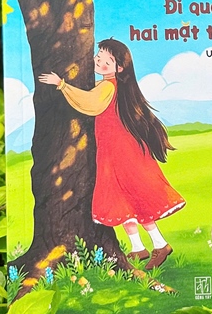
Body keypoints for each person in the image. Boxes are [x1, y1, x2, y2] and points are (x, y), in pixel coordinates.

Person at [39, 38, 185, 270]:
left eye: (106, 61)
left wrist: (62, 85)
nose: (98, 62)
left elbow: (90, 104)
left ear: (120, 67)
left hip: (120, 152)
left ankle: (160, 244)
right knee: (123, 201)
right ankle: (138, 247)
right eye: (98, 57)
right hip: (114, 150)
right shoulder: (111, 85)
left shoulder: (108, 87)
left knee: (134, 199)